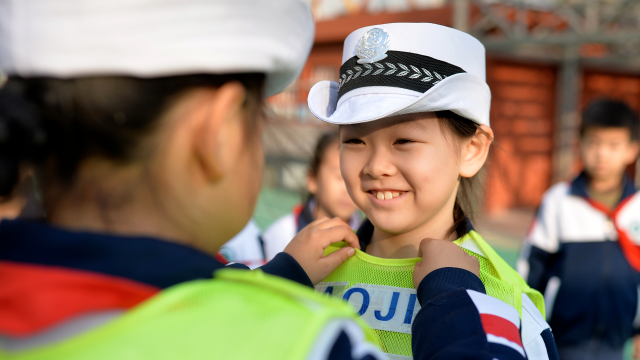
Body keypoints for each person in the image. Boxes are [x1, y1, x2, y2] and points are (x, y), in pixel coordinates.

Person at [0, 1, 382, 358]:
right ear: (221, 132)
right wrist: (443, 296)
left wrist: (283, 274)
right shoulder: (312, 342)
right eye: (259, 120)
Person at [307, 23, 559, 359]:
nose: (376, 166)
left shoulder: (506, 298)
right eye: (354, 140)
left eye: (404, 141)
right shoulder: (308, 269)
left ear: (472, 151)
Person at [518, 98, 640, 360]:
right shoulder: (558, 200)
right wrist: (525, 323)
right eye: (594, 143)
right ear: (580, 144)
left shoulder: (638, 206)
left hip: (617, 345)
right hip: (561, 341)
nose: (602, 154)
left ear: (632, 150)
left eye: (613, 145)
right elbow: (532, 268)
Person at [262, 131, 362, 260]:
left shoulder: (372, 238)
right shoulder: (281, 237)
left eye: (356, 177)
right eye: (340, 177)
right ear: (312, 179)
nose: (347, 189)